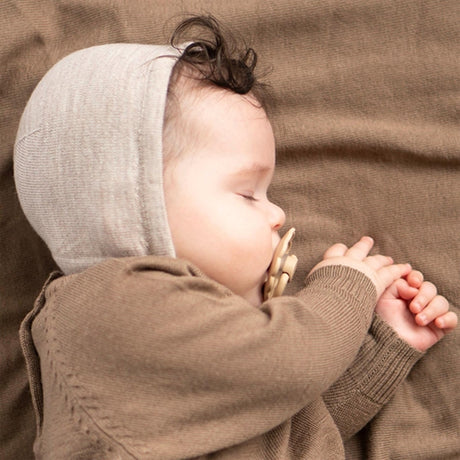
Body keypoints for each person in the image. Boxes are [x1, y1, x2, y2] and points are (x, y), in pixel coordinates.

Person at [14, 16, 457, 459]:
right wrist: (346, 287)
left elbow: (294, 438)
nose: (277, 214)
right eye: (247, 193)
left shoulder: (186, 340)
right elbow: (290, 364)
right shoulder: (110, 305)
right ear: (129, 199)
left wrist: (386, 344)